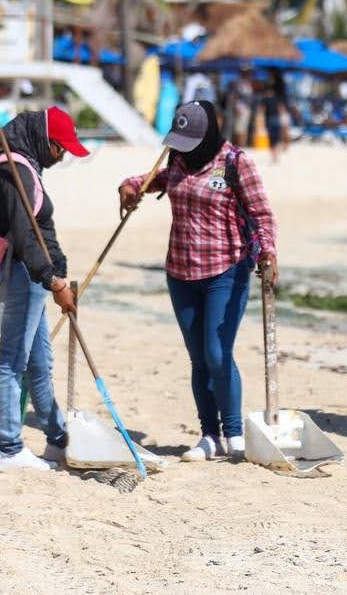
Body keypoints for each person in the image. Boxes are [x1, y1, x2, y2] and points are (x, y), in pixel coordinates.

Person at [118, 101, 278, 461]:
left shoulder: (237, 163)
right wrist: (127, 188)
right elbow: (148, 181)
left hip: (227, 269)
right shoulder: (176, 160)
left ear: (208, 136)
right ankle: (209, 435)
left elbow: (262, 215)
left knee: (218, 353)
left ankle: (234, 434)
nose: (181, 149)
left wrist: (268, 251)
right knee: (198, 359)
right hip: (180, 271)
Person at [0, 107, 86, 470]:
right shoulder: (13, 172)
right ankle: (10, 449)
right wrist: (54, 281)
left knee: (40, 363)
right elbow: (26, 238)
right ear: (44, 141)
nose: (60, 158)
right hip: (19, 275)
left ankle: (57, 441)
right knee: (13, 362)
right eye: (60, 149)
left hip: (31, 276)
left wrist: (59, 271)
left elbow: (42, 229)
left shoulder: (27, 168)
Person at [258, 83, 285, 162]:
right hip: (276, 119)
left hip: (269, 119)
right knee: (277, 138)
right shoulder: (277, 98)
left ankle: (274, 156)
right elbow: (281, 109)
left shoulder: (264, 99)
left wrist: (260, 122)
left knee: (271, 139)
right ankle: (276, 156)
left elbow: (261, 111)